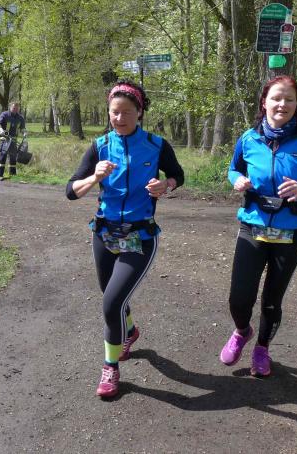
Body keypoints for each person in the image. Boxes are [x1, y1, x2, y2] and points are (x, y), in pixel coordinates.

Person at [66, 80, 184, 398]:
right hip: (105, 235)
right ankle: (129, 331)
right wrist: (95, 177)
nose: (119, 118)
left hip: (140, 236)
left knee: (112, 303)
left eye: (127, 112)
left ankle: (110, 367)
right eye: (114, 112)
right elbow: (71, 191)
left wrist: (166, 185)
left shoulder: (156, 145)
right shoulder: (100, 146)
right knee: (112, 296)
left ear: (139, 112)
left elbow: (178, 175)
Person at [220, 75, 297, 377]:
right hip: (253, 226)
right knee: (239, 297)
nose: (282, 104)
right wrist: (237, 180)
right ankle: (242, 331)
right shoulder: (248, 139)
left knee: (272, 300)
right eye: (276, 98)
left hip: (291, 230)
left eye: (289, 99)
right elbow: (233, 169)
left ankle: (262, 349)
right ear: (264, 102)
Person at [0, 102, 26, 181]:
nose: (15, 110)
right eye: (14, 108)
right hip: (5, 139)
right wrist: (1, 130)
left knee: (13, 158)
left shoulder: (20, 118)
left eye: (17, 109)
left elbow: (22, 128)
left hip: (14, 140)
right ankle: (0, 175)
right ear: (10, 108)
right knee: (2, 157)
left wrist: (24, 133)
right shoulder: (4, 115)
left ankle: (13, 175)